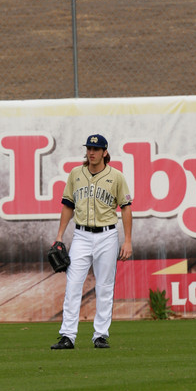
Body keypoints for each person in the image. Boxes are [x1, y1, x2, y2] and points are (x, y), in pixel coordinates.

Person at [50, 133, 133, 350]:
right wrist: (60, 235)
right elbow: (68, 204)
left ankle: (100, 335)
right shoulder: (76, 174)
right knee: (73, 284)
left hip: (107, 235)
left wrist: (128, 241)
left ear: (105, 152)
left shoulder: (116, 177)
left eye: (96, 149)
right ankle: (67, 335)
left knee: (105, 286)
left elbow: (126, 208)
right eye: (89, 148)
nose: (91, 152)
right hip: (81, 236)